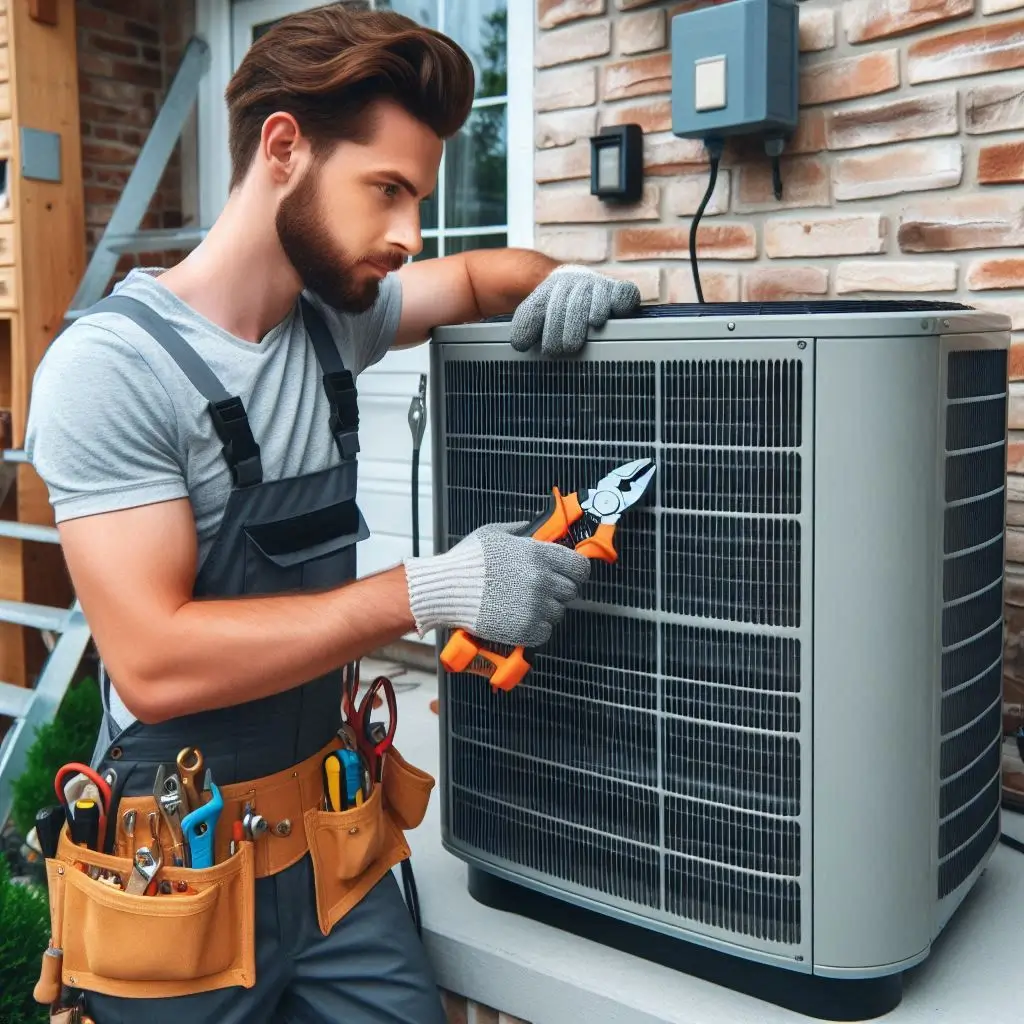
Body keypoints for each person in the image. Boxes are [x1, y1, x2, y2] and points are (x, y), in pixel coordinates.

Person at [23, 6, 642, 1024]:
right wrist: (435, 587)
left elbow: (485, 276)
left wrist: (564, 279)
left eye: (419, 197)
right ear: (283, 148)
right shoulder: (113, 371)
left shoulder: (334, 322)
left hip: (332, 852)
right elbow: (153, 659)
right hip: (178, 872)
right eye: (387, 190)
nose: (407, 232)